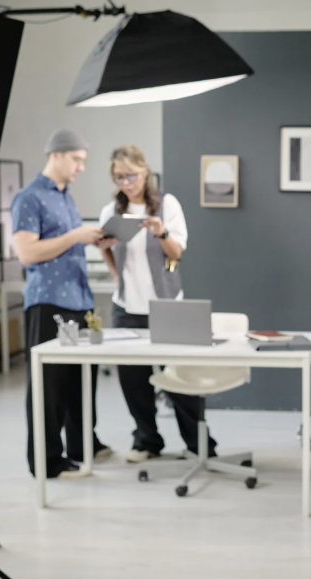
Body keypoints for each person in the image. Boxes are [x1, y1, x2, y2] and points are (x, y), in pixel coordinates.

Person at [96, 144, 217, 463]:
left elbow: (176, 253)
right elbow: (104, 248)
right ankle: (147, 440)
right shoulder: (112, 212)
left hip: (166, 306)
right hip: (126, 308)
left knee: (180, 378)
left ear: (145, 172)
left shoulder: (167, 205)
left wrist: (161, 232)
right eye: (119, 178)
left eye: (131, 176)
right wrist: (113, 270)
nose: (126, 183)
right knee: (133, 382)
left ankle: (198, 443)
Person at [12, 128, 112, 479]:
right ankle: (48, 462)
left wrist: (92, 241)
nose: (81, 167)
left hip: (77, 303)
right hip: (48, 304)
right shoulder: (30, 198)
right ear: (56, 155)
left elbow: (65, 246)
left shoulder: (65, 197)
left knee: (76, 383)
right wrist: (75, 236)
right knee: (47, 387)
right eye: (77, 160)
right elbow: (27, 253)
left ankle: (81, 448)